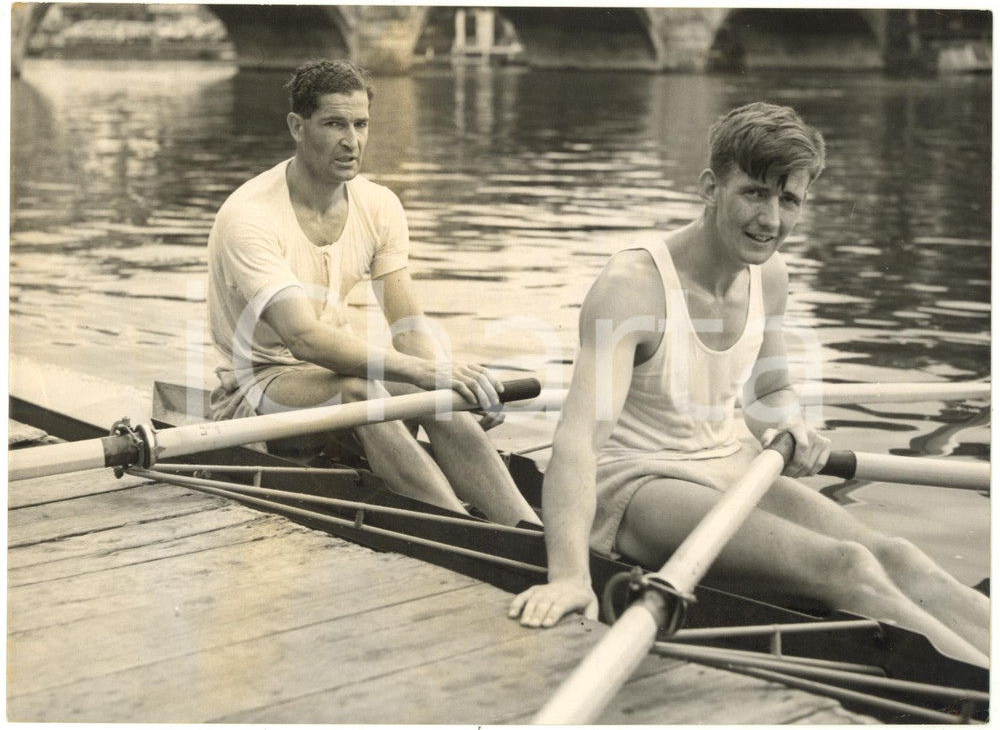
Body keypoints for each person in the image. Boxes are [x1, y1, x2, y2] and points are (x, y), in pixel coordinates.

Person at [507, 103, 989, 668]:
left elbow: (768, 393)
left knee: (895, 553)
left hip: (728, 461)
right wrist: (568, 576)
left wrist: (786, 423)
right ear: (711, 186)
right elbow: (577, 442)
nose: (771, 219)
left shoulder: (772, 273)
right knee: (846, 566)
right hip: (637, 480)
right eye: (756, 193)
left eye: (789, 201)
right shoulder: (632, 286)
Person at [206, 58, 539, 527]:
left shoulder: (380, 205)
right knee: (364, 390)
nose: (352, 141)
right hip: (257, 383)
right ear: (297, 127)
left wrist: (446, 378)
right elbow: (302, 338)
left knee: (435, 392)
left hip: (334, 368)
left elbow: (407, 327)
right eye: (334, 124)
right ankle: (458, 528)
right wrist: (424, 372)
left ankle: (524, 528)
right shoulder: (251, 217)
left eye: (361, 124)